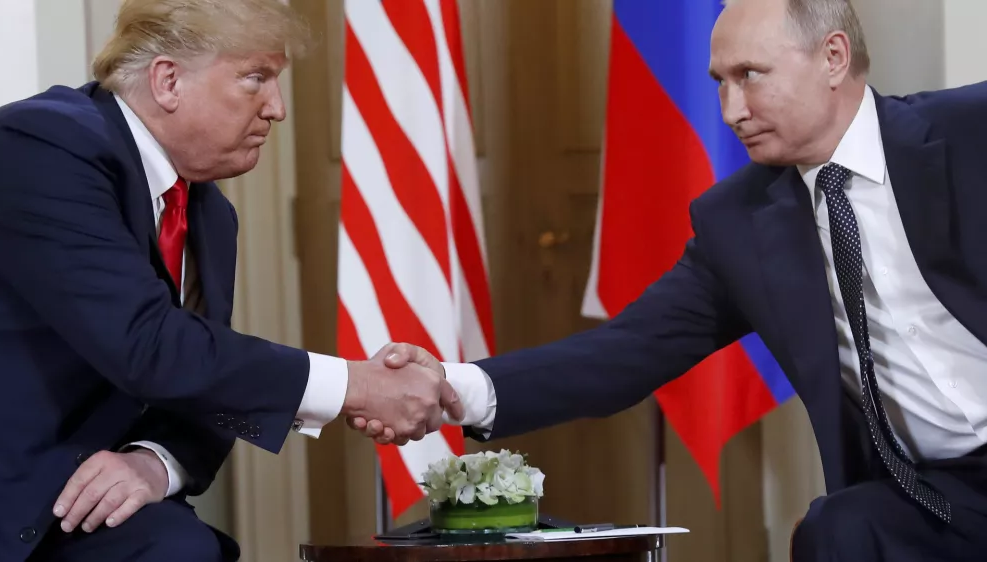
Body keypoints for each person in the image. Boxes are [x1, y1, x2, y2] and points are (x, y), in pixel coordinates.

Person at [355, 0, 987, 560]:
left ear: (832, 56)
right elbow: (625, 353)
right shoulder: (739, 223)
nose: (731, 110)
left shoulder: (969, 134)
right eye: (720, 83)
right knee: (842, 528)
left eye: (749, 76)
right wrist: (453, 388)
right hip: (937, 492)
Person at [0, 1, 461, 561]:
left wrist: (155, 463)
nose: (277, 109)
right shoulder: (41, 144)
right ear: (168, 81)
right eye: (255, 78)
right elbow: (148, 345)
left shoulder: (208, 212)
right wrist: (354, 385)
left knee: (185, 549)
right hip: (7, 494)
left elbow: (205, 380)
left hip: (92, 501)